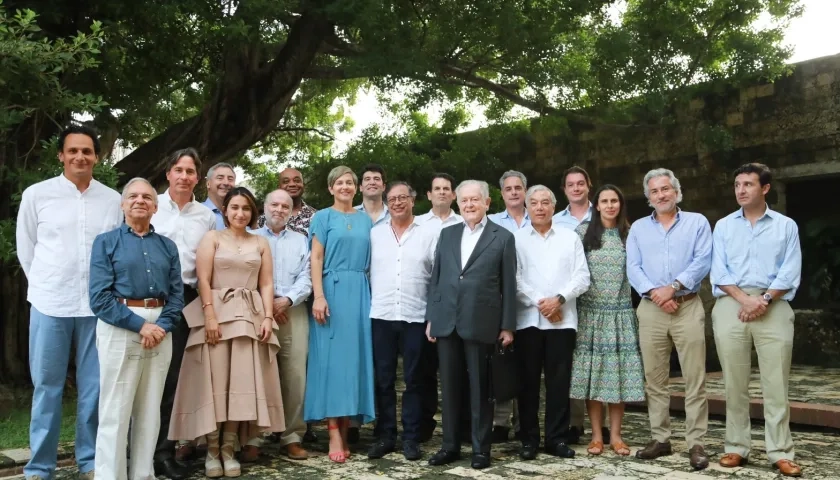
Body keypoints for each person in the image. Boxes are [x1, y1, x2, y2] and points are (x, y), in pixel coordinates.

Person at [16, 124, 123, 480]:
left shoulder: (112, 200)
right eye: (73, 151)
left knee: (94, 387)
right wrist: (46, 285)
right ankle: (40, 466)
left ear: (97, 156)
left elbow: (116, 251)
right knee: (48, 386)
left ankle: (90, 460)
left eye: (87, 151)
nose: (80, 157)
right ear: (61, 155)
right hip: (51, 304)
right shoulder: (37, 195)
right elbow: (26, 248)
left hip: (97, 308)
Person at [169, 187, 285, 478]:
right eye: (234, 207)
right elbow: (203, 280)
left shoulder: (260, 243)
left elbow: (267, 283)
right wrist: (209, 315)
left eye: (246, 208)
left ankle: (229, 448)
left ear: (252, 212)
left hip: (250, 316)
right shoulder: (212, 238)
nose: (239, 213)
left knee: (240, 385)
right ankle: (210, 449)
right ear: (225, 210)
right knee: (215, 382)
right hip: (217, 315)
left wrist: (268, 316)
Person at [88, 178, 185, 480]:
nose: (140, 200)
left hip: (161, 329)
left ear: (156, 206)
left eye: (147, 197)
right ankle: (110, 476)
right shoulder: (105, 242)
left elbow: (177, 295)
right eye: (133, 196)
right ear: (123, 204)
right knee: (115, 407)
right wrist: (141, 326)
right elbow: (99, 298)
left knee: (150, 408)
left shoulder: (167, 247)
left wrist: (161, 326)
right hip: (121, 324)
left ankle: (144, 474)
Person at [711, 163, 803, 477]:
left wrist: (763, 300)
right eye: (737, 184)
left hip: (773, 303)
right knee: (733, 382)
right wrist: (744, 300)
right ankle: (736, 447)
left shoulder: (786, 226)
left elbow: (789, 271)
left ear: (764, 188)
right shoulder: (723, 226)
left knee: (776, 383)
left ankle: (779, 451)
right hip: (731, 304)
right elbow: (719, 271)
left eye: (748, 184)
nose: (741, 190)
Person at [425, 180, 516, 470]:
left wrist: (508, 325)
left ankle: (480, 449)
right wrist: (431, 317)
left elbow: (509, 285)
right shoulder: (448, 234)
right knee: (449, 389)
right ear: (458, 203)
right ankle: (450, 445)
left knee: (480, 389)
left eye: (475, 200)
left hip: (482, 321)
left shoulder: (502, 237)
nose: (469, 205)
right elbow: (436, 278)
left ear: (487, 203)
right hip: (447, 320)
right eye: (464, 201)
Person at [626, 168, 712, 470]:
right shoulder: (638, 228)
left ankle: (696, 443)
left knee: (694, 377)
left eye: (666, 189)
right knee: (655, 377)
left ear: (676, 191)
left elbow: (703, 260)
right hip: (651, 309)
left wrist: (672, 288)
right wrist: (656, 293)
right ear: (649, 197)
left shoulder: (697, 223)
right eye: (654, 192)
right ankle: (660, 438)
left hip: (686, 305)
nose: (661, 195)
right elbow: (633, 267)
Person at [150, 148, 216, 479]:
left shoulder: (205, 217)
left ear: (198, 179)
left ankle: (163, 452)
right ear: (168, 174)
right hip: (147, 298)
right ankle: (135, 450)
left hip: (185, 298)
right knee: (142, 376)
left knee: (173, 377)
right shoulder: (150, 205)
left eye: (191, 172)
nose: (184, 176)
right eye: (179, 170)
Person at [304, 166, 376, 463]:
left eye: (350, 182)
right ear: (331, 188)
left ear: (356, 189)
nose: (345, 186)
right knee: (332, 364)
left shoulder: (366, 220)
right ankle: (333, 431)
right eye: (340, 183)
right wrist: (318, 295)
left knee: (353, 363)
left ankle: (347, 430)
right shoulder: (322, 217)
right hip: (331, 292)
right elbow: (316, 258)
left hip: (359, 292)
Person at [514, 185, 590, 461]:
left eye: (546, 202)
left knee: (559, 384)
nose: (540, 207)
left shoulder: (569, 238)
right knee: (528, 383)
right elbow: (514, 279)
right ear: (527, 207)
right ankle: (529, 439)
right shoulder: (517, 239)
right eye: (534, 203)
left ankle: (556, 438)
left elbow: (582, 277)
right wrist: (542, 304)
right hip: (528, 322)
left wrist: (558, 300)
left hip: (563, 321)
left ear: (553, 206)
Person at [570, 185, 646, 456]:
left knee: (618, 377)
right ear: (597, 205)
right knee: (593, 378)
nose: (610, 205)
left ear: (621, 204)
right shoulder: (582, 234)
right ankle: (596, 436)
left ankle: (616, 435)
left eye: (615, 200)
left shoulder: (631, 234)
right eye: (605, 201)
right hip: (590, 315)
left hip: (620, 313)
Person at [367, 182, 437, 461]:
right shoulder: (374, 234)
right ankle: (386, 435)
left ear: (413, 200)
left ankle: (411, 437)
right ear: (387, 201)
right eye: (392, 198)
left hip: (415, 316)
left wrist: (433, 316)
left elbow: (437, 278)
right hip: (381, 315)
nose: (397, 202)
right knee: (383, 380)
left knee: (414, 380)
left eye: (403, 198)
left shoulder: (429, 233)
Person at [255, 189, 313, 461]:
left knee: (295, 377)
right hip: (257, 314)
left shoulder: (302, 240)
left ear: (292, 212)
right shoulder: (252, 238)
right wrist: (268, 305)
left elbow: (308, 275)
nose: (279, 209)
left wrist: (287, 300)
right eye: (274, 204)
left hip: (293, 312)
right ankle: (254, 437)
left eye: (285, 206)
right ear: (264, 208)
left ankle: (291, 436)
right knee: (257, 375)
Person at [415, 172, 463, 442]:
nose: (442, 192)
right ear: (429, 195)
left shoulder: (465, 221)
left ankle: (459, 426)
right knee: (425, 370)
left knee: (456, 369)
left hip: (456, 307)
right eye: (437, 188)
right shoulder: (418, 224)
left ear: (453, 195)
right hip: (422, 304)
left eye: (447, 188)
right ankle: (425, 423)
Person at [552, 165, 595, 442]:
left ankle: (600, 425)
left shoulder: (604, 212)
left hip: (601, 298)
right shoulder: (556, 221)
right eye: (571, 184)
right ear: (564, 189)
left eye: (581, 183)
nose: (576, 188)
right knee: (573, 363)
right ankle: (575, 424)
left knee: (602, 360)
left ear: (589, 185)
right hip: (568, 300)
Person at [486, 170, 529, 442]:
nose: (514, 192)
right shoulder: (491, 223)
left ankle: (524, 422)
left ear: (525, 190)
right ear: (501, 194)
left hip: (533, 307)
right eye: (508, 188)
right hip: (501, 304)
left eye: (518, 187)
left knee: (527, 367)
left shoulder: (538, 217)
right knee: (501, 364)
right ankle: (500, 422)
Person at [257, 167, 318, 234]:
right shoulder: (264, 218)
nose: (292, 184)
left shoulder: (317, 216)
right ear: (279, 187)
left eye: (297, 181)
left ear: (303, 185)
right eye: (286, 181)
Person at [202, 162, 236, 230]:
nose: (226, 183)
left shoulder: (241, 214)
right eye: (220, 178)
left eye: (230, 179)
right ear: (208, 183)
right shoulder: (196, 212)